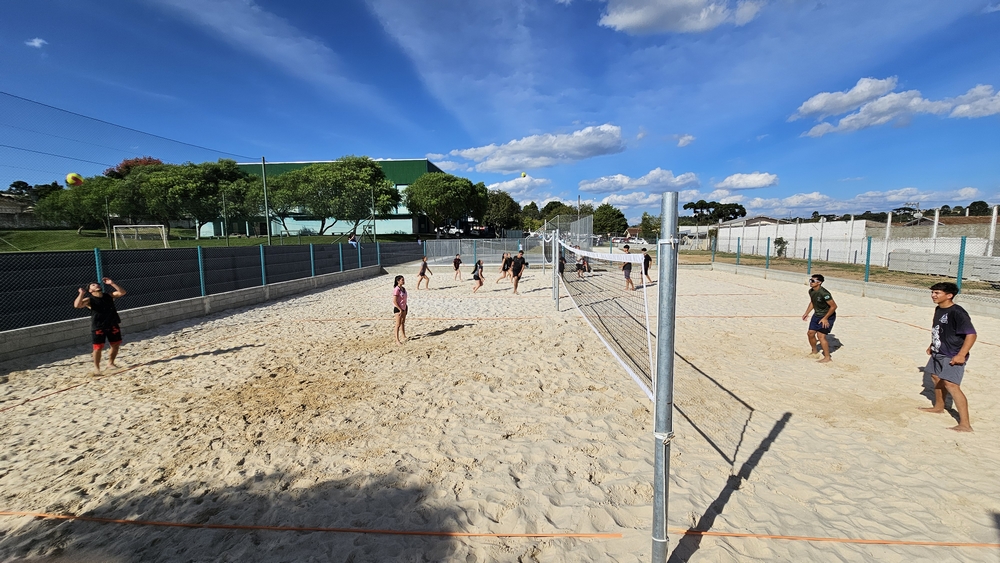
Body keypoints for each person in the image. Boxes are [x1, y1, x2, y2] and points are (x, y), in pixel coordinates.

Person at [918, 282, 977, 432]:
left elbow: (971, 334)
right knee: (935, 377)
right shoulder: (939, 309)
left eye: (937, 293)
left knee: (951, 385)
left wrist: (961, 355)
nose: (933, 295)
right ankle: (939, 407)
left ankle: (965, 424)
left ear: (949, 295)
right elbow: (940, 330)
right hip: (938, 351)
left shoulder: (958, 312)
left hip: (953, 354)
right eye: (932, 292)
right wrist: (932, 345)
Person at [73, 277, 127, 373]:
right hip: (99, 326)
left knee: (115, 344)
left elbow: (122, 292)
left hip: (112, 323)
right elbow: (77, 305)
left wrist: (112, 283)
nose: (96, 285)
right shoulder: (89, 300)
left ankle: (110, 363)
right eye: (93, 285)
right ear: (90, 290)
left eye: (97, 284)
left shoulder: (108, 296)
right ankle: (97, 368)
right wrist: (81, 294)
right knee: (98, 348)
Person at [802, 274, 837, 363]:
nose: (811, 282)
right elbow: (812, 302)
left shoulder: (825, 293)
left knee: (821, 336)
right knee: (810, 333)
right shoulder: (811, 291)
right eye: (810, 280)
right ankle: (814, 351)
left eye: (813, 281)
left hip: (828, 316)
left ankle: (827, 357)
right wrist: (806, 313)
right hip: (817, 315)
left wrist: (825, 318)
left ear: (819, 283)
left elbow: (833, 306)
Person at [391, 275, 408, 345]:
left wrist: (405, 307)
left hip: (404, 307)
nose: (403, 281)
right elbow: (394, 301)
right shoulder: (396, 289)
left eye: (403, 280)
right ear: (398, 281)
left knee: (402, 322)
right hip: (398, 308)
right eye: (402, 280)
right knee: (398, 324)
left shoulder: (403, 289)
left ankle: (403, 335)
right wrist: (400, 309)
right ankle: (397, 340)